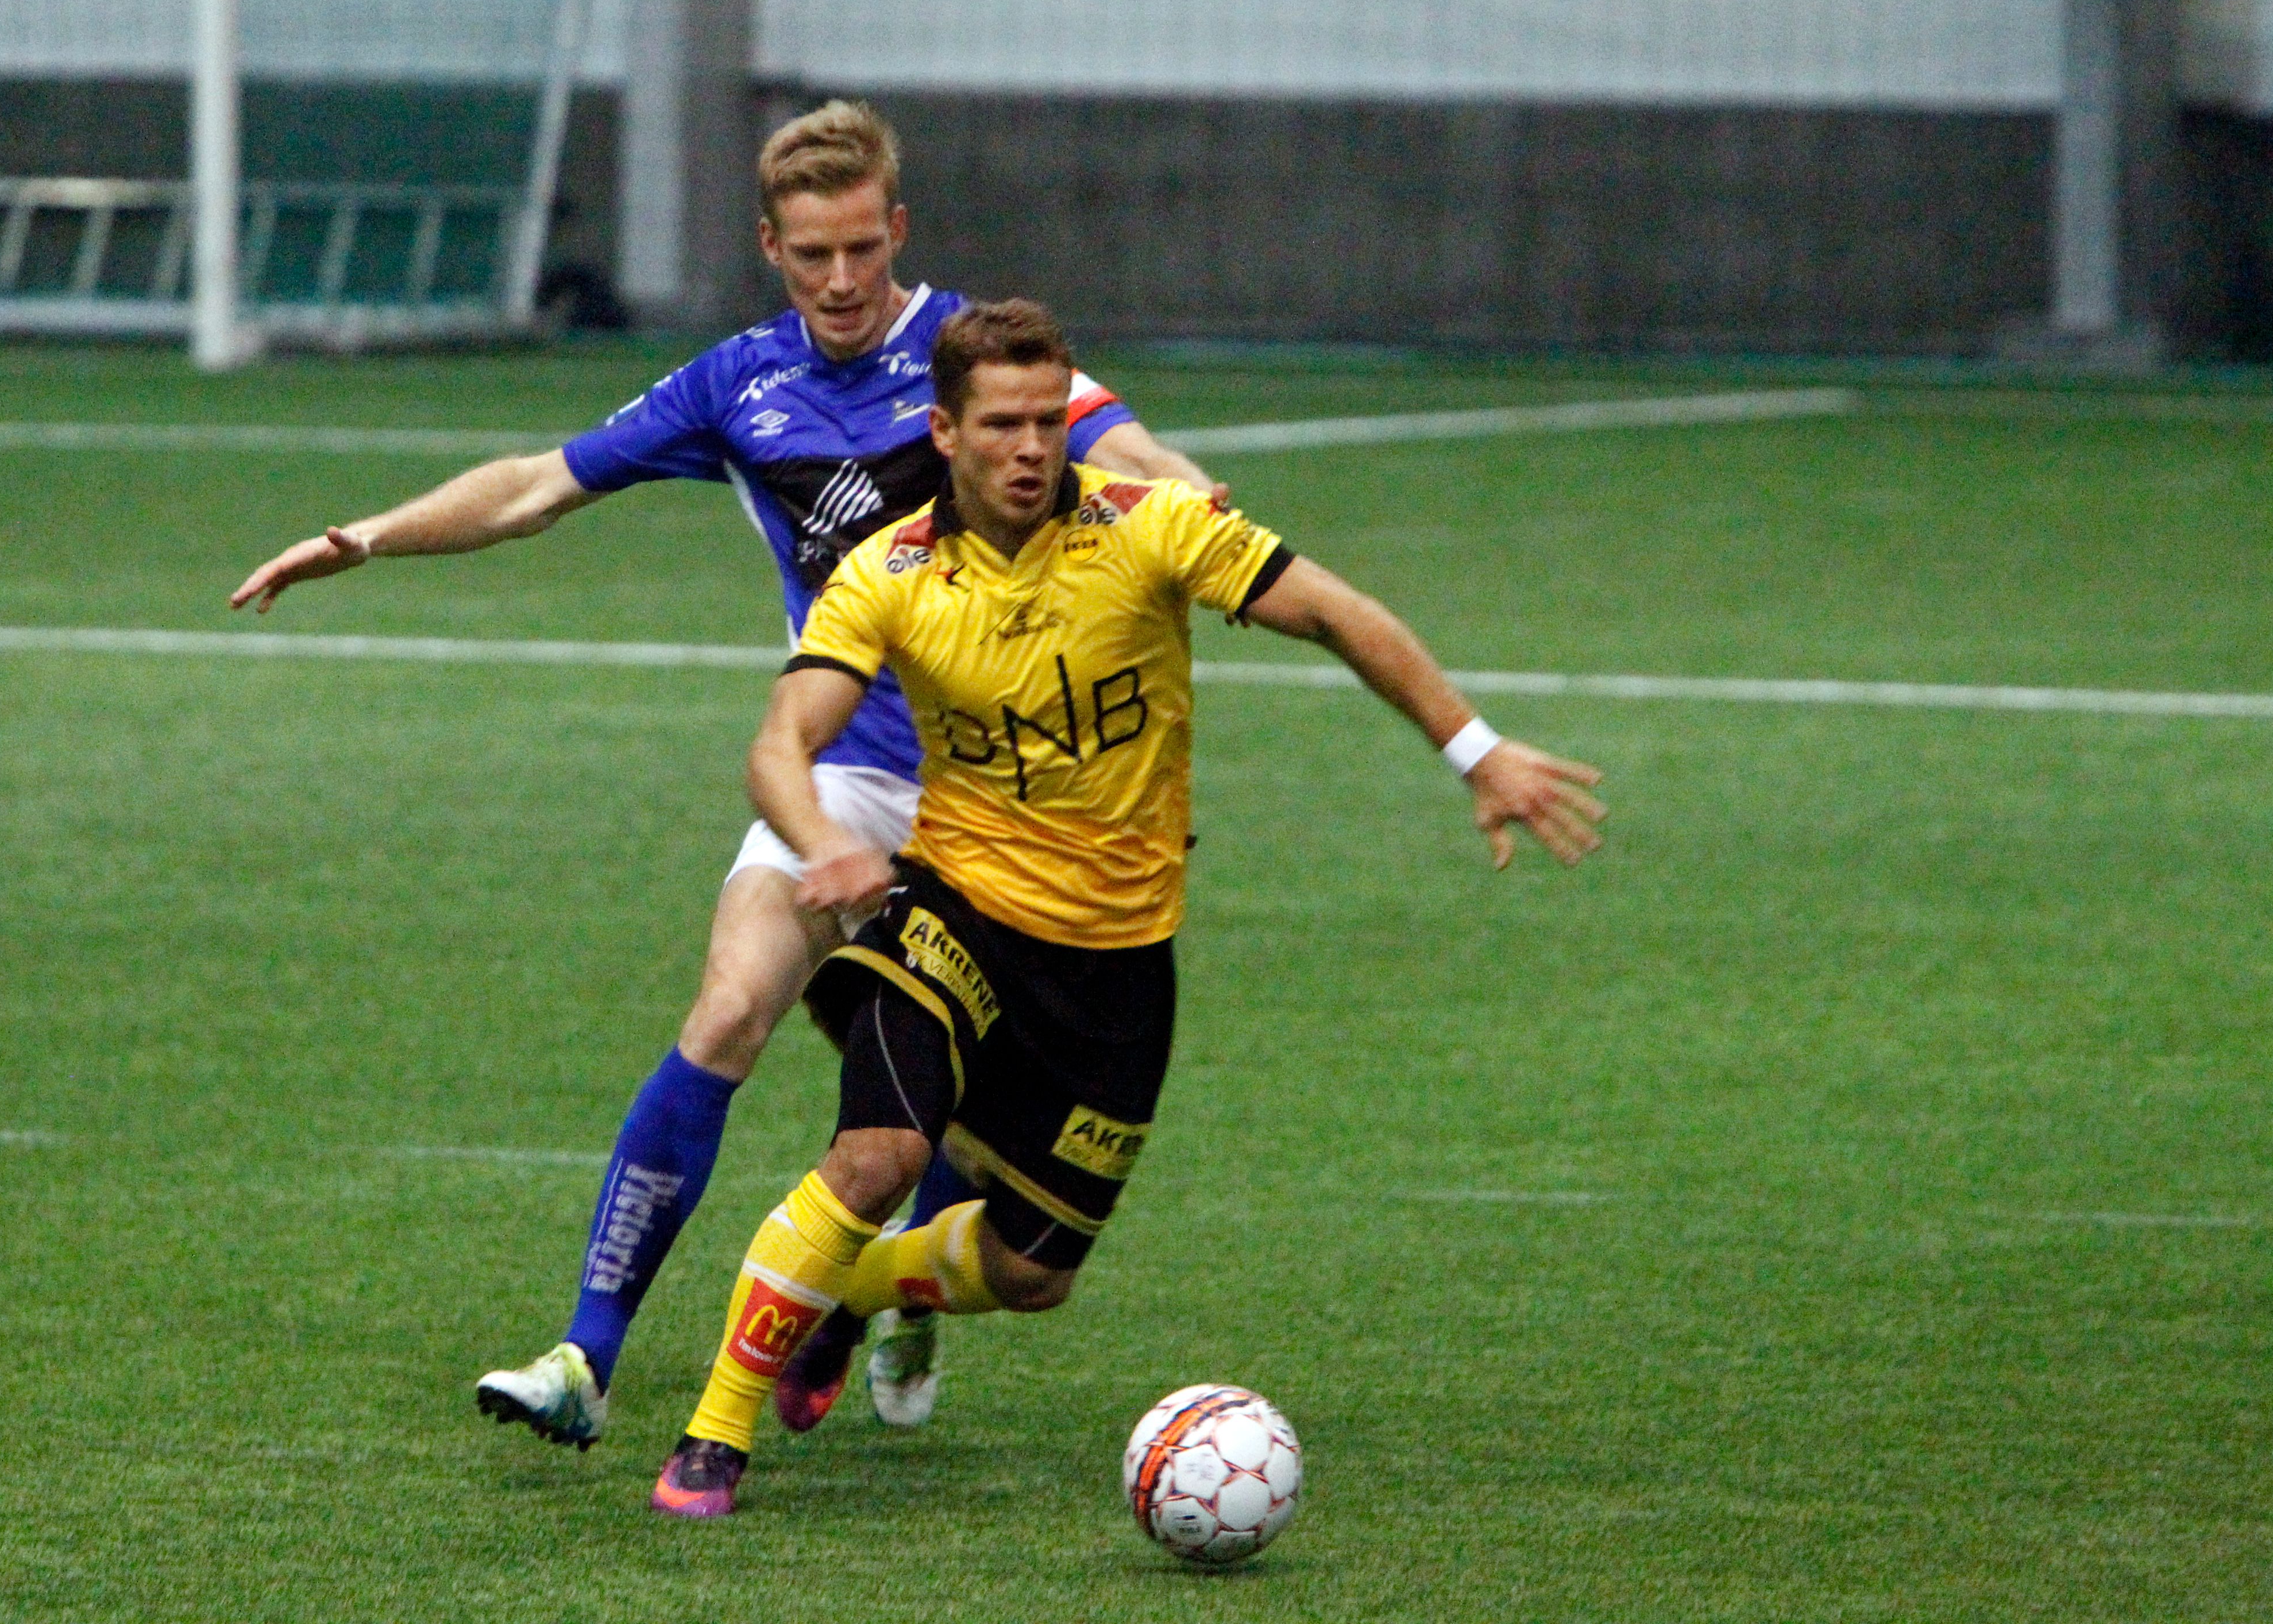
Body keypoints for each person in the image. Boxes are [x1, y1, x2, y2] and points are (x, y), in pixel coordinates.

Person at [227, 104, 1218, 1448]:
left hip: (1006, 799)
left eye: (863, 248)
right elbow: (535, 486)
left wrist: (1196, 502)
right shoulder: (738, 386)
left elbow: (1132, 457)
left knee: (961, 1110)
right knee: (731, 1008)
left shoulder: (972, 355)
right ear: (771, 248)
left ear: (898, 230)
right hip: (845, 778)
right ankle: (585, 1357)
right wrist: (363, 538)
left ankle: (884, 1295)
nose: (842, 280)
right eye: (812, 255)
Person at [649, 297, 1604, 1517]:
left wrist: (1476, 751)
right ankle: (714, 1437)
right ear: (944, 432)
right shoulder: (888, 572)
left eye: (1049, 421)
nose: (1031, 448)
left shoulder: (1152, 529)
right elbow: (782, 742)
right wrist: (827, 841)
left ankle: (849, 1291)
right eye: (1002, 424)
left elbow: (1336, 613)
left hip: (1114, 963)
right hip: (955, 911)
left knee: (1031, 1274)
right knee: (880, 1153)